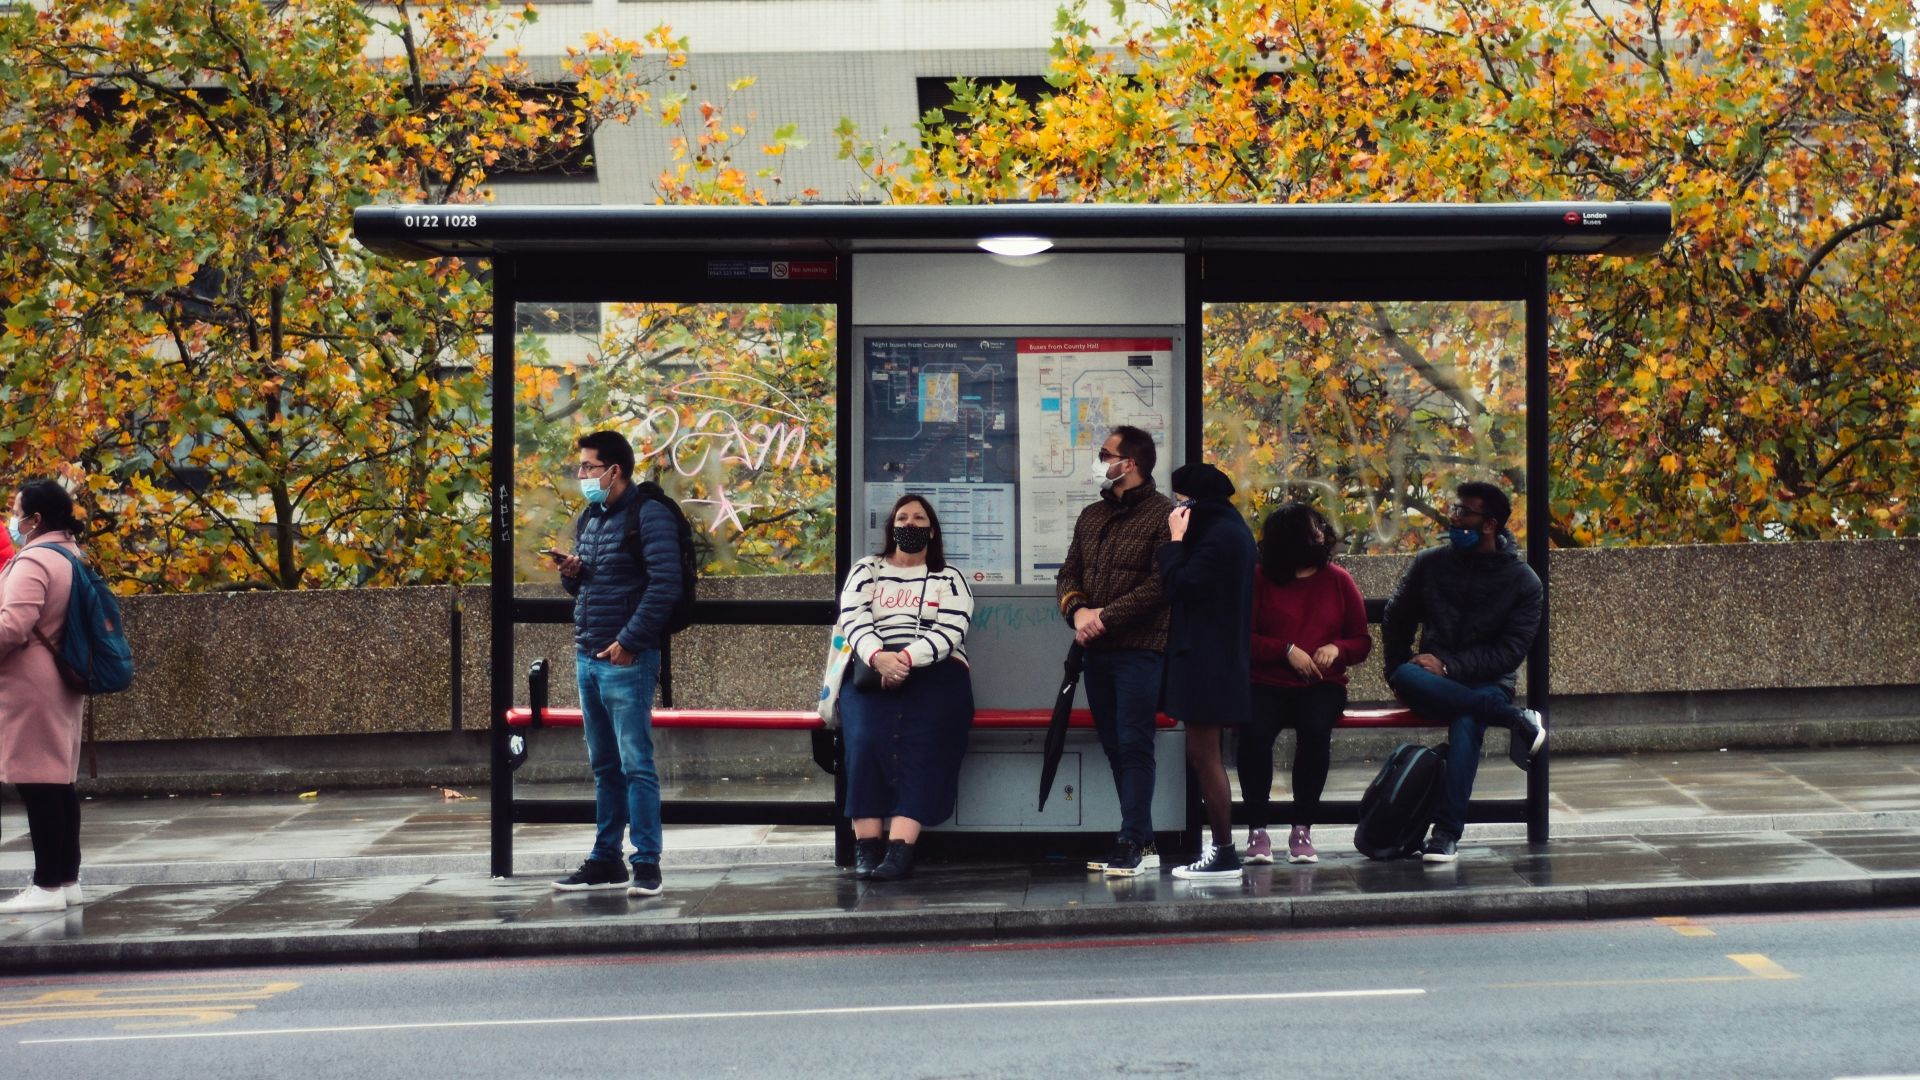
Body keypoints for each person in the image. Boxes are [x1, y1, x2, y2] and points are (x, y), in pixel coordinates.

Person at [548, 431, 684, 898]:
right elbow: (594, 587)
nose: (581, 476)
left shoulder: (651, 515)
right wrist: (575, 574)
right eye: (581, 467)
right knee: (605, 765)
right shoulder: (593, 517)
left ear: (615, 471)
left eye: (588, 467)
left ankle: (646, 862)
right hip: (589, 654)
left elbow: (666, 586)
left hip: (626, 657)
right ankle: (606, 859)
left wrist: (629, 641)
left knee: (635, 765)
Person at [1382, 480, 1547, 864]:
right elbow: (1396, 617)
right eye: (1454, 509)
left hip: (1485, 683)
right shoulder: (1430, 563)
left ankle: (1444, 835)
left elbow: (1509, 653)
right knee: (1405, 675)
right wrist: (1398, 665)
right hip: (1429, 679)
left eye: (1463, 512)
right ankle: (1514, 720)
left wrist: (1450, 666)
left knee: (1467, 718)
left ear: (1489, 525)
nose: (1454, 518)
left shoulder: (1523, 581)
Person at [833, 494, 976, 881]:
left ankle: (900, 848)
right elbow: (853, 617)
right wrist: (879, 657)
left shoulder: (950, 577)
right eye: (902, 517)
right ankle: (867, 847)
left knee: (923, 742)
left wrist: (906, 660)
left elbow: (951, 629)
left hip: (936, 673)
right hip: (871, 670)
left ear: (932, 529)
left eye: (919, 518)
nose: (910, 524)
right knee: (863, 742)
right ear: (891, 526)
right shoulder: (867, 569)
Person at [1056, 425, 1173, 878]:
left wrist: (1104, 617)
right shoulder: (1091, 515)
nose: (1099, 460)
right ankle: (1141, 836)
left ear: (1132, 463)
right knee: (1112, 744)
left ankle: (1130, 839)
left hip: (1141, 650)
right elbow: (1069, 574)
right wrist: (1079, 612)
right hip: (1097, 653)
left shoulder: (1165, 516)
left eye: (1106, 454)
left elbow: (1160, 586)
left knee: (1134, 742)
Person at [1238, 503, 1371, 866]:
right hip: (1266, 680)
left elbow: (1361, 642)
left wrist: (1336, 649)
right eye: (1314, 528)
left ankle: (1302, 829)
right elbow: (1242, 639)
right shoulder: (1260, 579)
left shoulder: (1339, 580)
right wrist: (1286, 650)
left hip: (1322, 684)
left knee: (1315, 731)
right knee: (1254, 734)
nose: (1322, 533)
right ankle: (1257, 830)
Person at [1157, 463, 1257, 881]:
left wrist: (1176, 540)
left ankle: (1223, 852)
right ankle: (1221, 850)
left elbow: (1178, 585)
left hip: (1207, 662)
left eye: (1181, 499)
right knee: (1203, 755)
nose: (1177, 507)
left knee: (1205, 756)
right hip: (1212, 659)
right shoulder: (1230, 530)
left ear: (1196, 500)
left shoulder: (1218, 538)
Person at [0, 480, 90, 913]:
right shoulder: (69, 553)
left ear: (35, 519)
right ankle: (67, 879)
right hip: (60, 682)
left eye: (15, 511)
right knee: (59, 784)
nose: (12, 520)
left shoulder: (34, 560)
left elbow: (12, 626)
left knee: (38, 787)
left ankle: (46, 885)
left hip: (30, 686)